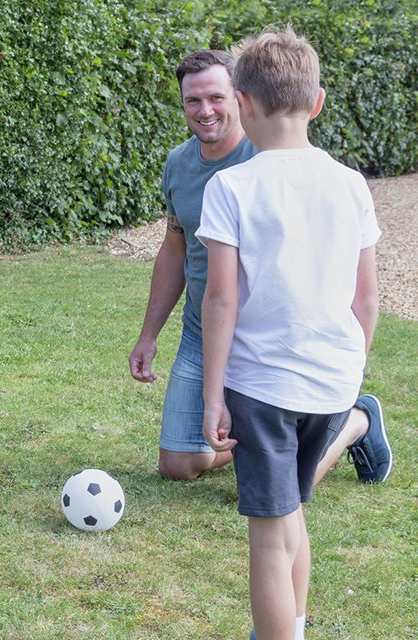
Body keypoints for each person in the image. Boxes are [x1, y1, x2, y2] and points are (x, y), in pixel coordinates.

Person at [195, 27, 392, 639]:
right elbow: (367, 299)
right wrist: (346, 371)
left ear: (243, 103)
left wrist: (212, 395)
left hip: (263, 389)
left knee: (267, 541)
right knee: (290, 517)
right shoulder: (351, 184)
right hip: (334, 384)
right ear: (318, 102)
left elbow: (221, 298)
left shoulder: (230, 185)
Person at [128, 49, 390, 485]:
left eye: (216, 97)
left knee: (272, 486)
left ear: (242, 99)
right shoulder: (179, 164)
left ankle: (354, 422)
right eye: (192, 101)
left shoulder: (271, 158)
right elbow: (175, 249)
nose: (204, 110)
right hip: (203, 333)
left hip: (270, 339)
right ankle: (268, 445)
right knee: (178, 466)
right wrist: (148, 334)